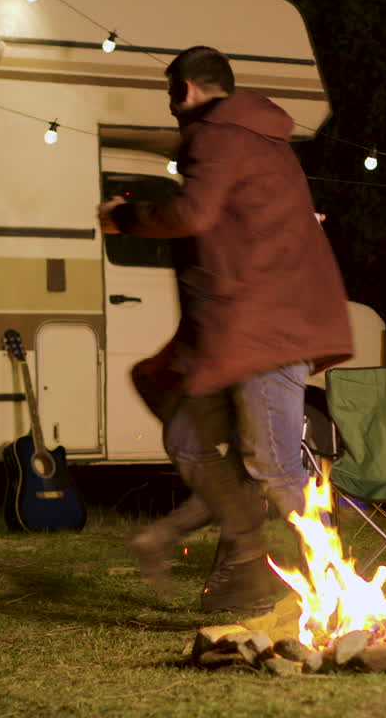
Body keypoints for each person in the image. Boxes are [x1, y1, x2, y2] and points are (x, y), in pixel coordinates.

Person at [97, 46, 352, 613]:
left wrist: (125, 217)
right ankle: (244, 556)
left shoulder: (218, 135)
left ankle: (337, 589)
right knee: (188, 439)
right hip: (243, 329)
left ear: (185, 89)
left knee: (276, 468)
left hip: (266, 331)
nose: (171, 108)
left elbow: (194, 215)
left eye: (171, 95)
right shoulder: (260, 138)